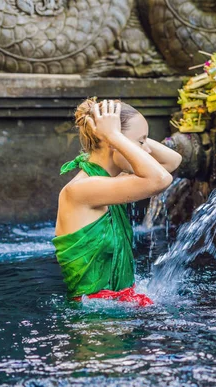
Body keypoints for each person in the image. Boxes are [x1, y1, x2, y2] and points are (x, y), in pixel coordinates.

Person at [52, 98, 182, 305]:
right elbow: (160, 179)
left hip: (116, 311)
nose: (146, 151)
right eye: (140, 143)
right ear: (110, 141)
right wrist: (113, 135)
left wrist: (127, 137)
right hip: (96, 326)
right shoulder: (80, 190)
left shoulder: (111, 182)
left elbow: (173, 161)